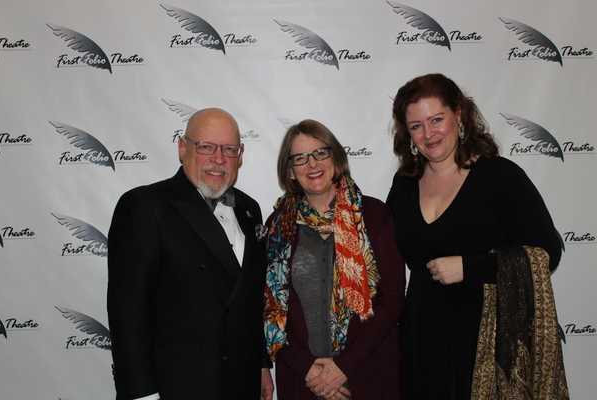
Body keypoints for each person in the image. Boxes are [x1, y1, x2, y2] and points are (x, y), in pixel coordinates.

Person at [387, 73, 569, 399]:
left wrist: (470, 267)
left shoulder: (500, 177)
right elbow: (381, 250)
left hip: (488, 341)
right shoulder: (404, 182)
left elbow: (546, 252)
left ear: (459, 114)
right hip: (421, 336)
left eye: (436, 119)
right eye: (416, 126)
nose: (428, 134)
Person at [107, 108, 274, 400]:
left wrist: (261, 364)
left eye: (229, 149)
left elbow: (249, 302)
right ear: (183, 148)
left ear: (241, 154)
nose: (218, 159)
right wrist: (141, 394)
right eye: (206, 146)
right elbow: (128, 314)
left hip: (241, 384)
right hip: (177, 388)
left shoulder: (250, 209)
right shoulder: (145, 206)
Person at [264, 119, 406, 400]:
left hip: (369, 373)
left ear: (335, 157)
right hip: (304, 381)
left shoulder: (374, 216)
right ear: (290, 171)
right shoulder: (277, 227)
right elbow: (270, 307)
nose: (312, 164)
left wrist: (343, 367)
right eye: (300, 158)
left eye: (320, 153)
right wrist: (308, 370)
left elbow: (392, 299)